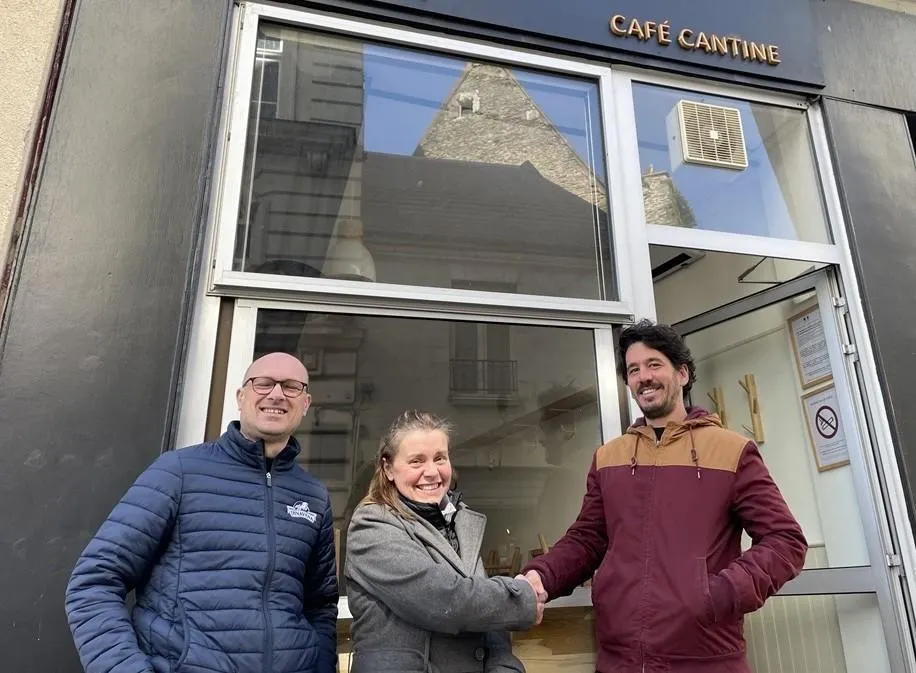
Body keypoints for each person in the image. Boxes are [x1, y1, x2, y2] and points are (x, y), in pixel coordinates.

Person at [521, 320, 808, 673]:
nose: (643, 377)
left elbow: (785, 541)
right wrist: (540, 577)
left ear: (682, 373)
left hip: (705, 661)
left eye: (654, 364)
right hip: (619, 662)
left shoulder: (732, 451)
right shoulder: (609, 457)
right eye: (633, 370)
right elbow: (587, 540)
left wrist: (720, 594)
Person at [65, 353, 338, 673]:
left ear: (305, 404)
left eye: (291, 386)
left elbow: (320, 606)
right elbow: (94, 582)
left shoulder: (312, 496)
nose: (276, 394)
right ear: (241, 397)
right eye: (263, 383)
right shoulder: (179, 471)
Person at [345, 410, 544, 673]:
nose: (432, 472)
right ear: (388, 468)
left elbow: (490, 623)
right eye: (416, 461)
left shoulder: (461, 523)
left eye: (440, 458)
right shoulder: (371, 525)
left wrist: (505, 668)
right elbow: (443, 599)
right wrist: (523, 598)